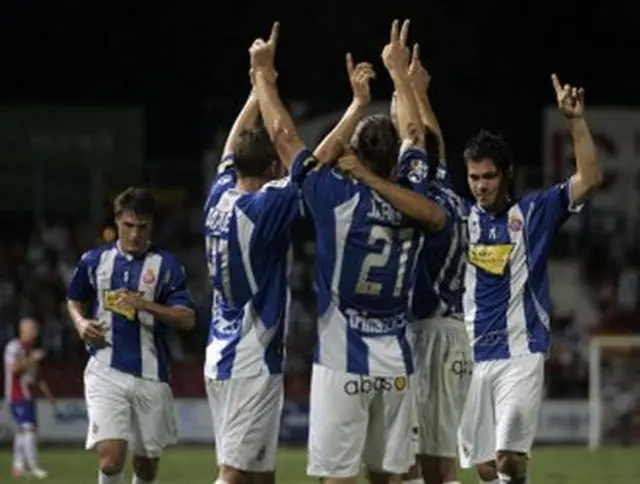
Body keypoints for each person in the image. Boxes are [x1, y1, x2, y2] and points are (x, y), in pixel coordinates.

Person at [250, 19, 446, 484]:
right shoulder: (414, 193)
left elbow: (283, 138)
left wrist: (263, 77)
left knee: (336, 477)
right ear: (394, 159)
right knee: (391, 476)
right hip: (396, 358)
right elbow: (416, 136)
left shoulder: (331, 194)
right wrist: (398, 74)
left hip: (343, 357)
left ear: (354, 155)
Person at [455, 74, 601, 484]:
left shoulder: (535, 213)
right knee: (484, 468)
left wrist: (576, 123)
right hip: (470, 355)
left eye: (489, 177)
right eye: (474, 178)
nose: (481, 186)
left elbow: (589, 179)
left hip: (522, 350)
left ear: (507, 174)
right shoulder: (461, 220)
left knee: (508, 459)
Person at [339, 44, 471, 484]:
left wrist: (399, 79)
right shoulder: (447, 189)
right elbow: (429, 140)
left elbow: (417, 137)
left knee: (429, 460)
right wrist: (415, 89)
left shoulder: (425, 204)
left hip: (431, 332)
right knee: (417, 455)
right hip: (442, 330)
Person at [202, 77, 302, 484]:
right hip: (251, 358)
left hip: (222, 351)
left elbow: (230, 145)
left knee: (261, 476)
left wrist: (253, 89)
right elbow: (299, 154)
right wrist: (265, 82)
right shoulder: (267, 205)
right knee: (234, 474)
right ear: (272, 167)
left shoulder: (218, 197)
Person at [66, 187, 195, 484]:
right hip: (105, 369)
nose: (135, 234)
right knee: (111, 461)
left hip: (152, 374)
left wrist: (145, 304)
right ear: (117, 222)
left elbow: (187, 319)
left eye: (142, 227)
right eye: (128, 226)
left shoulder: (166, 265)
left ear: (152, 226)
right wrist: (80, 323)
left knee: (146, 467)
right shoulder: (94, 261)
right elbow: (74, 298)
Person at [4, 317, 55, 479]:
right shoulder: (14, 347)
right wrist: (32, 359)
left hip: (28, 396)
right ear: (23, 330)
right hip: (16, 395)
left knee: (22, 431)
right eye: (33, 329)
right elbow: (14, 369)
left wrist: (48, 395)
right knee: (28, 429)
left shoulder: (29, 349)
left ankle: (18, 467)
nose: (35, 333)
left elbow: (37, 376)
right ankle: (34, 468)